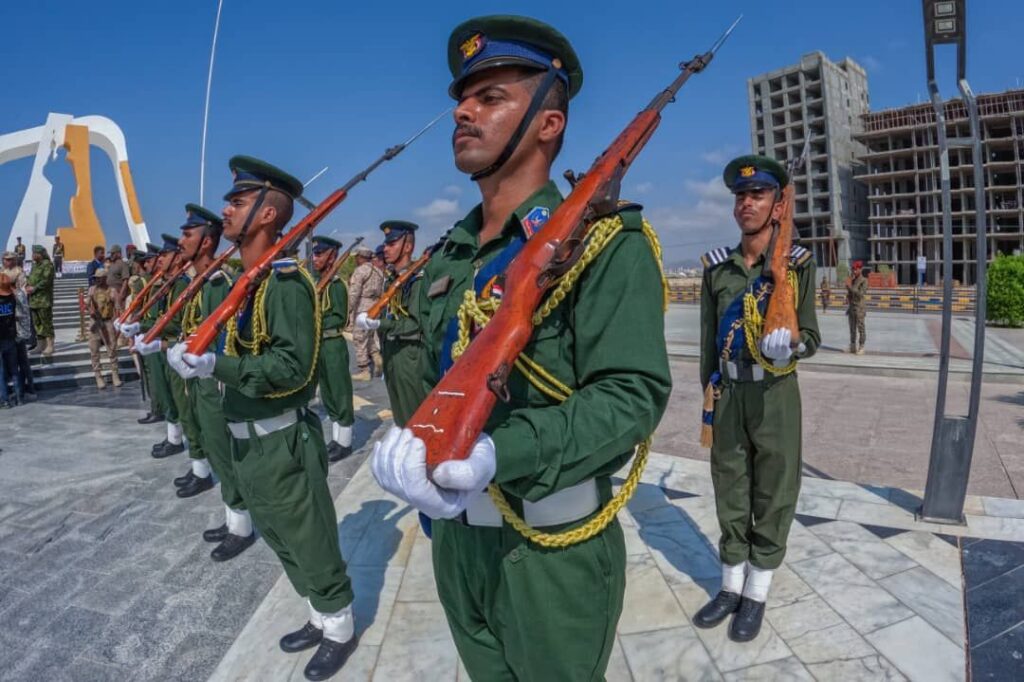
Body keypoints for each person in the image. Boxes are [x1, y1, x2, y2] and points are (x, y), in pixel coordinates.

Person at [370, 16, 671, 680]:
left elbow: (631, 397)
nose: (462, 111)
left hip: (550, 555)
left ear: (547, 124)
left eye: (491, 97)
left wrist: (499, 452)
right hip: (455, 546)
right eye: (463, 98)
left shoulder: (605, 243)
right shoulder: (447, 256)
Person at [168, 157, 358, 679]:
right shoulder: (248, 283)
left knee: (310, 541)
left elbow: (294, 370)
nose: (226, 209)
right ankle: (320, 614)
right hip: (246, 441)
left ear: (269, 213)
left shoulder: (285, 283)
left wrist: (218, 365)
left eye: (238, 201)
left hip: (281, 441)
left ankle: (339, 627)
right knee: (280, 538)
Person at [694, 154, 820, 642]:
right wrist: (709, 395)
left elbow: (811, 334)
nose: (746, 203)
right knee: (730, 486)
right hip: (729, 392)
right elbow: (708, 340)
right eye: (740, 196)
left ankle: (757, 591)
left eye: (758, 195)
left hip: (775, 393)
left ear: (777, 206)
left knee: (773, 490)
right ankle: (730, 585)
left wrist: (793, 346)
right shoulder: (716, 269)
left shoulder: (797, 265)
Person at [167, 204, 256, 558]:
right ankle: (234, 516)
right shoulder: (201, 283)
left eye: (188, 234)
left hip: (215, 383)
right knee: (214, 450)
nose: (181, 240)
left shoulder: (219, 285)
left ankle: (242, 526)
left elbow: (224, 340)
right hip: (199, 381)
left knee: (224, 453)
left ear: (206, 242)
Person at [354, 220, 425, 426]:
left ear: (408, 247)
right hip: (392, 353)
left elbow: (415, 324)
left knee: (415, 420)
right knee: (400, 417)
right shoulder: (391, 279)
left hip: (409, 357)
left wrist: (380, 324)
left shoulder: (418, 280)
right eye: (386, 243)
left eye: (392, 244)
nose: (385, 248)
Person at [122, 236, 185, 457]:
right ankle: (173, 437)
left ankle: (187, 449)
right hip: (158, 341)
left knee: (177, 397)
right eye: (155, 259)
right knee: (165, 392)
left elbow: (173, 321)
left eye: (163, 256)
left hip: (171, 344)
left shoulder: (180, 284)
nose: (157, 261)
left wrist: (143, 326)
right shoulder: (163, 283)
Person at [311, 235, 355, 463]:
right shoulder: (317, 283)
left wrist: (314, 322)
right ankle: (337, 439)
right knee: (327, 392)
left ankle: (345, 442)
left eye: (319, 254)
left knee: (339, 391)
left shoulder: (336, 285)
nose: (315, 258)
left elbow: (340, 317)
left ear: (332, 257)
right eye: (315, 253)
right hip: (320, 345)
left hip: (333, 344)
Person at [346, 245, 384, 381]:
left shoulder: (360, 271)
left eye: (357, 257)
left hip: (362, 307)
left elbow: (354, 293)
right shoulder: (379, 272)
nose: (356, 259)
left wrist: (348, 310)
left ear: (361, 257)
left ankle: (364, 370)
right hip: (376, 306)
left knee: (359, 338)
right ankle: (376, 357)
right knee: (370, 336)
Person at [86, 268, 121, 389]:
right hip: (95, 322)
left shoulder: (112, 290)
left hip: (107, 321)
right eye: (96, 278)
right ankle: (98, 376)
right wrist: (89, 305)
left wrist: (116, 323)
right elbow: (86, 304)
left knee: (112, 349)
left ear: (105, 278)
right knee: (94, 349)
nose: (97, 280)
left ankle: (115, 374)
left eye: (99, 278)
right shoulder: (92, 290)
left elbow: (117, 308)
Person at [25, 245, 55, 360]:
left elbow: (46, 281)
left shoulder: (47, 265)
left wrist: (35, 288)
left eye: (34, 253)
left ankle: (50, 345)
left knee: (46, 322)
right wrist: (27, 285)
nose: (32, 255)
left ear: (40, 254)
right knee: (37, 323)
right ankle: (40, 345)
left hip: (43, 300)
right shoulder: (34, 265)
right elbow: (31, 278)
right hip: (34, 300)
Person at [0, 273, 24, 408]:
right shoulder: (12, 299)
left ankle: (4, 400)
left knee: (1, 371)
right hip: (11, 337)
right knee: (15, 369)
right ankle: (19, 397)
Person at [846, 260, 868, 354]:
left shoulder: (864, 280)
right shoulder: (853, 280)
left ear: (860, 269)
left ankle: (861, 346)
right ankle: (852, 346)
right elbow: (851, 293)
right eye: (853, 269)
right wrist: (848, 292)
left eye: (855, 269)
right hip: (852, 306)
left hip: (859, 308)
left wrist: (850, 287)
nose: (854, 271)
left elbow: (860, 294)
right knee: (852, 328)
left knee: (860, 327)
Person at [105, 245, 132, 317]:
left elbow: (125, 280)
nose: (111, 255)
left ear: (118, 253)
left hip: (118, 294)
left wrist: (121, 295)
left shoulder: (123, 264)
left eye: (113, 253)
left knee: (119, 315)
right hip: (110, 294)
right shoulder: (112, 264)